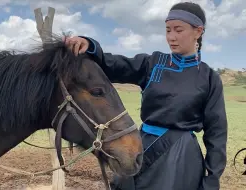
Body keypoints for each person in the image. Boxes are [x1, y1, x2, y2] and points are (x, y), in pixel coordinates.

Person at [64, 2, 228, 190]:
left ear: (198, 32)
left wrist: (212, 179)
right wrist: (90, 46)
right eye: (168, 30)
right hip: (143, 145)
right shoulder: (153, 63)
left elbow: (217, 134)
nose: (171, 37)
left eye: (178, 30)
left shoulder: (208, 78)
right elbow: (115, 65)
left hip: (181, 158)